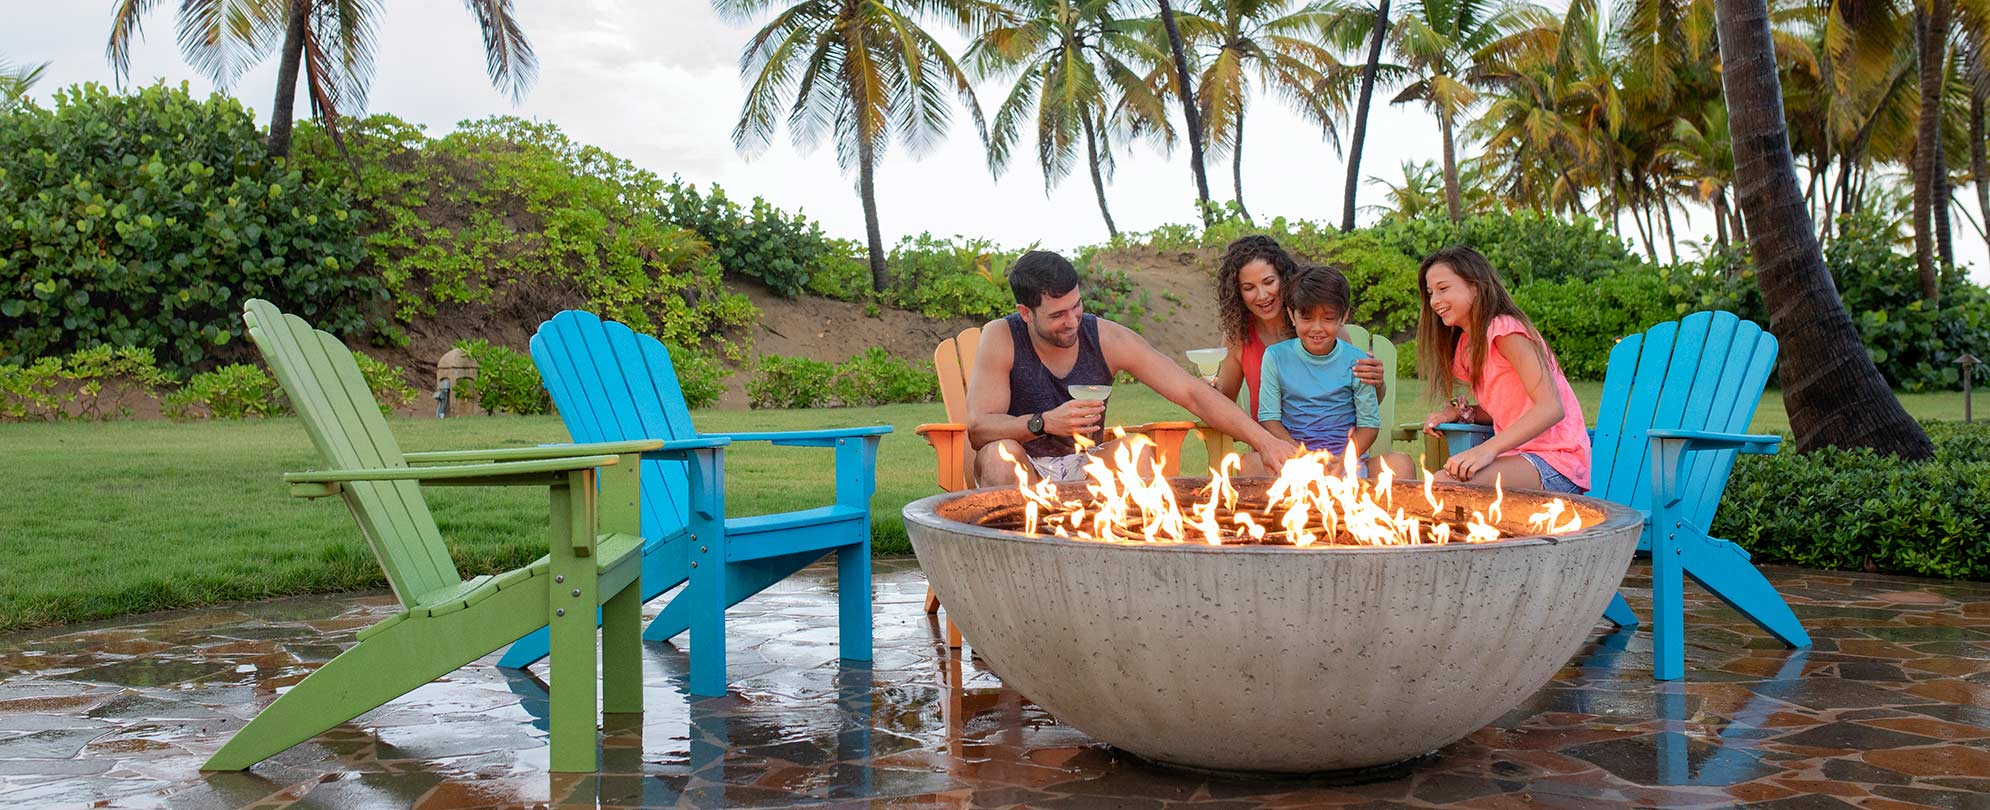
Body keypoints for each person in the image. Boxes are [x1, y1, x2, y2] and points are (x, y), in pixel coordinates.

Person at [969, 250, 1298, 485]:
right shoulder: (1002, 337)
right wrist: (1044, 423)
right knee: (1000, 455)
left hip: (1085, 465)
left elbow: (1192, 393)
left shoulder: (1106, 338)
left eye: (1076, 306)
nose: (1071, 322)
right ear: (1026, 313)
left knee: (1137, 450)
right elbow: (979, 429)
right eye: (1057, 315)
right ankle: (1020, 567)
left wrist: (1266, 442)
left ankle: (1130, 565)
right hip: (1023, 466)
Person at [1411, 245, 1590, 494]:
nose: (1435, 301)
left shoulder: (1506, 330)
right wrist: (1463, 414)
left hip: (1556, 461)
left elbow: (1551, 408)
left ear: (1476, 286)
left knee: (1444, 485)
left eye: (1443, 289)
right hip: (1517, 457)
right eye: (1430, 293)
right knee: (1444, 487)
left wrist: (1487, 449)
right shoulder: (1466, 346)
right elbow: (1508, 407)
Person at [1210, 235, 1385, 474]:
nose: (1261, 295)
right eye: (1249, 288)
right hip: (1277, 448)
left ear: (1284, 279)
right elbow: (1223, 400)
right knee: (1249, 466)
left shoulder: (1324, 329)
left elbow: (1353, 400)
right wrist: (1208, 389)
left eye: (1269, 282)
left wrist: (1377, 381)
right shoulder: (1238, 336)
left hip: (1340, 452)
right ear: (1237, 292)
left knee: (1399, 464)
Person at [1257, 264, 1382, 474]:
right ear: (1291, 314)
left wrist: (1343, 460)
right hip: (1293, 456)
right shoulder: (1275, 357)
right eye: (1306, 317)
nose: (1317, 328)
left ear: (1343, 317)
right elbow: (1270, 419)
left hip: (1346, 460)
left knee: (1401, 463)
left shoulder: (1358, 362)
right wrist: (1300, 457)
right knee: (1250, 463)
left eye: (1328, 318)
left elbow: (1369, 425)